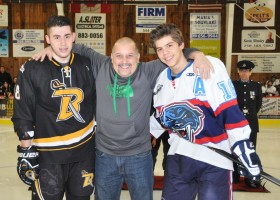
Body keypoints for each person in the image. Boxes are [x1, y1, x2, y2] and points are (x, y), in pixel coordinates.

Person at [33, 35, 213, 199]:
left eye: (129, 56)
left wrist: (198, 55)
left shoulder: (148, 71)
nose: (124, 61)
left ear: (138, 57)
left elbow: (179, 53)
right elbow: (75, 47)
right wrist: (52, 49)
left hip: (139, 156)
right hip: (104, 156)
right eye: (119, 56)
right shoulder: (100, 65)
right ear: (111, 57)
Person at [149, 23, 262, 200]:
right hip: (178, 158)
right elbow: (163, 118)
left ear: (181, 45)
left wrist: (244, 150)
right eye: (160, 49)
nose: (165, 53)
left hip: (214, 161)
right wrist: (140, 135)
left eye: (169, 45)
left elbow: (229, 112)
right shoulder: (161, 80)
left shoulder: (208, 67)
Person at [12, 15, 96, 200]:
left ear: (74, 36)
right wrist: (26, 149)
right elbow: (22, 112)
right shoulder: (32, 68)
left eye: (66, 36)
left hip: (84, 154)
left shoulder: (87, 64)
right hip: (48, 157)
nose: (63, 42)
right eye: (56, 37)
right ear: (47, 39)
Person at [232, 60, 263, 187]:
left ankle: (249, 177)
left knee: (250, 150)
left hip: (251, 124)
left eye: (246, 71)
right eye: (242, 70)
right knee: (235, 149)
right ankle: (235, 175)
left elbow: (258, 104)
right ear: (238, 72)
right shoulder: (233, 85)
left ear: (250, 72)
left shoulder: (256, 86)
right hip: (235, 123)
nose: (244, 73)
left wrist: (249, 116)